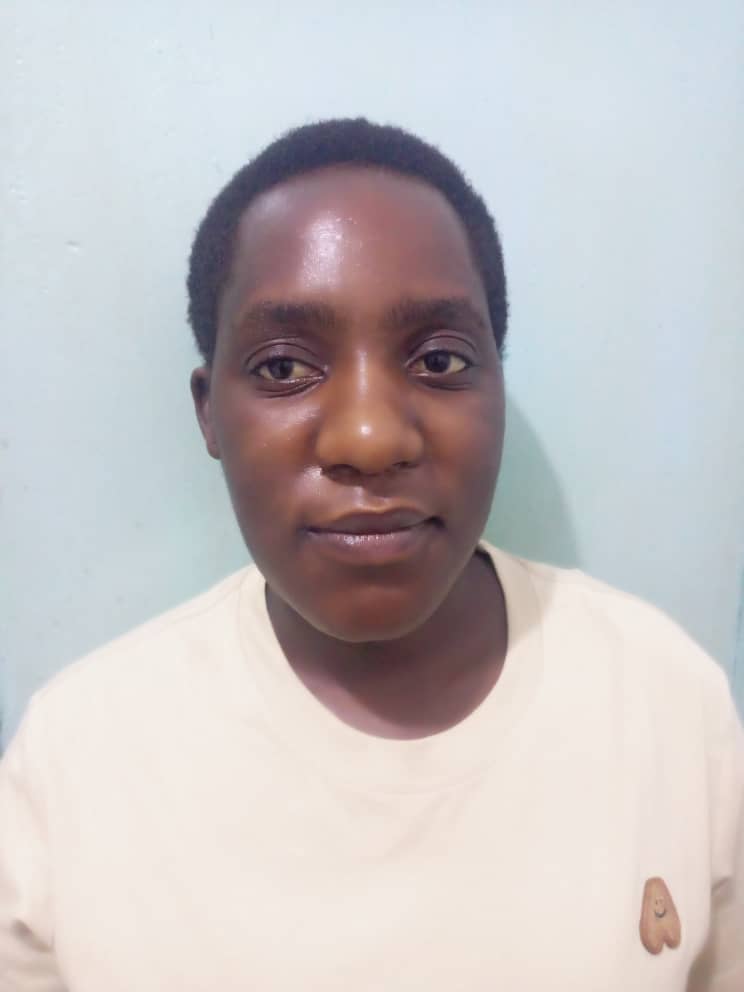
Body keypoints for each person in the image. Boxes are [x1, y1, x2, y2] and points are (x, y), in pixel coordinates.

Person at [0, 118, 741, 991]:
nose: (369, 438)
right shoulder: (78, 760)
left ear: (497, 388)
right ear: (209, 414)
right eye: (283, 369)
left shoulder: (664, 701)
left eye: (440, 358)